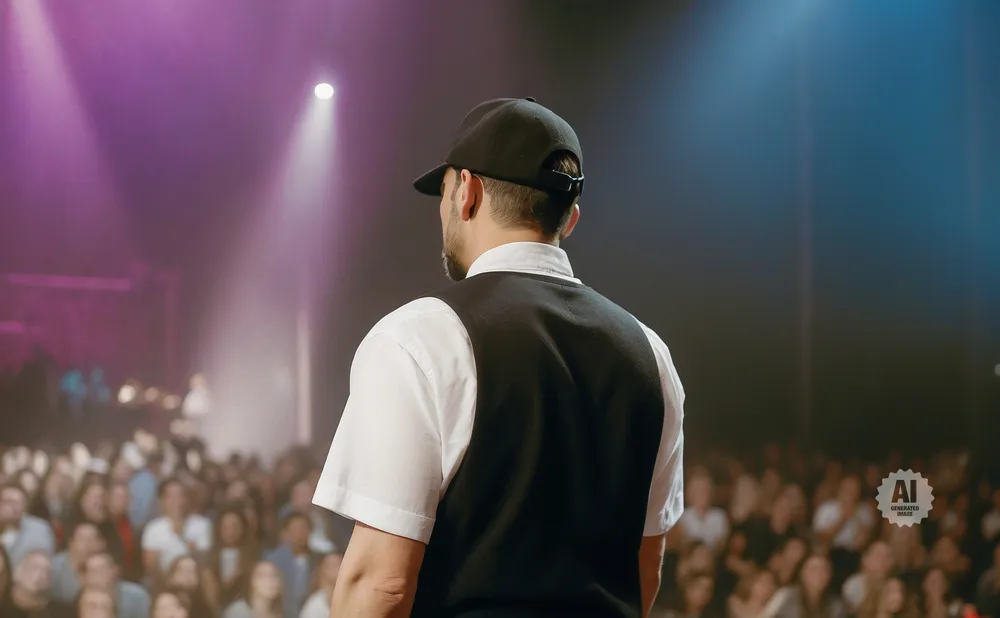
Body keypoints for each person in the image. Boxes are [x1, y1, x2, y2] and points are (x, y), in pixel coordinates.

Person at [313, 97, 685, 617]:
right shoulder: (651, 354)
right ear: (570, 219)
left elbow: (380, 584)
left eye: (443, 194)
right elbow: (645, 565)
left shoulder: (419, 337)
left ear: (466, 191)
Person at [141, 478, 212, 576]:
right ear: (162, 501)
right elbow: (150, 567)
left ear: (186, 499)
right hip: (164, 581)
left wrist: (192, 549)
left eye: (179, 495)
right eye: (171, 496)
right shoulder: (153, 528)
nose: (176, 500)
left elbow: (207, 562)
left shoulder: (202, 524)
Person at [264, 512, 319, 618]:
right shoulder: (274, 560)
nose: (300, 533)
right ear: (286, 533)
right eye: (295, 529)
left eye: (304, 528)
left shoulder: (318, 560)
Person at [78, 551, 150, 618]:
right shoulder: (79, 597)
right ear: (85, 576)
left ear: (115, 570)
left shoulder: (137, 596)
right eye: (94, 571)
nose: (99, 575)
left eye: (103, 569)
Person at [50, 521, 106, 603]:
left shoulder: (105, 567)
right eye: (83, 539)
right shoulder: (54, 567)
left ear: (101, 544)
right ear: (71, 543)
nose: (88, 544)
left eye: (93, 539)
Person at [1, 483, 56, 566]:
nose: (13, 507)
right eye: (8, 502)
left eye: (18, 503)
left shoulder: (39, 529)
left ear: (24, 506)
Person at [298, 552, 342, 618]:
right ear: (324, 570)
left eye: (341, 563)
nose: (340, 568)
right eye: (335, 565)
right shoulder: (315, 606)